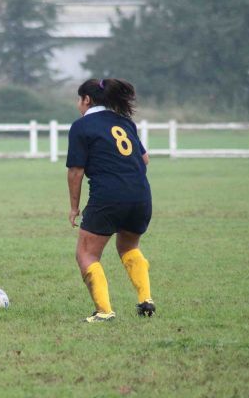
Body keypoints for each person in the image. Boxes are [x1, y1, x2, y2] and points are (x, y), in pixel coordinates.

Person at [66, 78, 155, 323]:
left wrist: (74, 207)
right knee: (129, 247)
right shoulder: (125, 122)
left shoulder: (82, 126)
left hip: (107, 195)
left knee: (86, 254)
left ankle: (104, 312)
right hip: (140, 194)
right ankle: (145, 299)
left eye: (79, 99)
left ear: (87, 99)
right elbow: (145, 160)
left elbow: (76, 171)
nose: (78, 104)